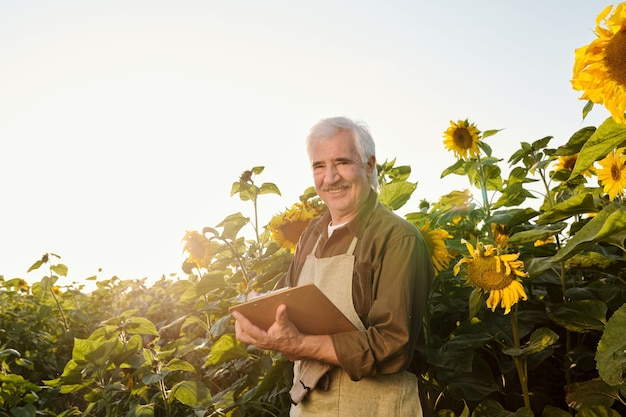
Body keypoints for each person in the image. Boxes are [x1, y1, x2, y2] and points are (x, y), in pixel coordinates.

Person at [232, 116, 433, 416]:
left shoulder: (397, 238)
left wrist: (300, 345)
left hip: (377, 408)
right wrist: (259, 315)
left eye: (342, 162)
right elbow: (289, 303)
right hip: (310, 407)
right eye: (319, 166)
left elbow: (393, 345)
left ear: (368, 165)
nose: (330, 178)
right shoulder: (310, 235)